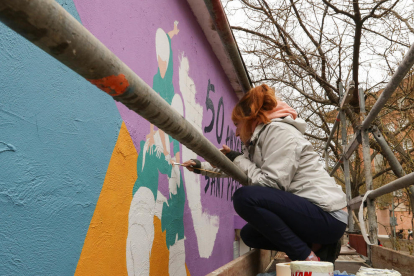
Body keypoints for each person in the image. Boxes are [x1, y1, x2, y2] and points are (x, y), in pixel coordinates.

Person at [182, 84, 348, 263]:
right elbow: (240, 170)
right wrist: (201, 166)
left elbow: (271, 184)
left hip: (328, 216)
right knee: (250, 235)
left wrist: (237, 158)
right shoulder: (259, 141)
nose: (236, 133)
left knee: (244, 198)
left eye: (237, 124)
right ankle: (318, 246)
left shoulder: (280, 132)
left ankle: (306, 258)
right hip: (310, 212)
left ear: (251, 118)